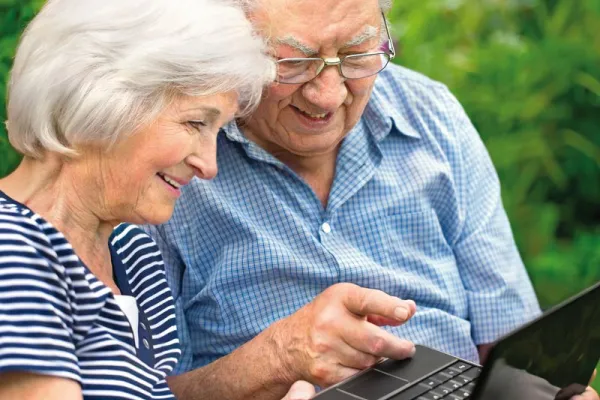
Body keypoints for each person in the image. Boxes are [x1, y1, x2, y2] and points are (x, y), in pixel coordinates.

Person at [143, 0, 600, 399]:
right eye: (294, 62)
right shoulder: (171, 159)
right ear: (229, 47)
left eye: (357, 54)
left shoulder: (433, 117)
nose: (329, 94)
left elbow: (510, 341)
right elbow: (139, 392)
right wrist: (275, 359)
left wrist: (541, 392)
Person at [0, 0, 312, 398]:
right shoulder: (13, 249)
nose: (209, 165)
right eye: (196, 122)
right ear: (98, 99)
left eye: (217, 129)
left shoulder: (132, 253)